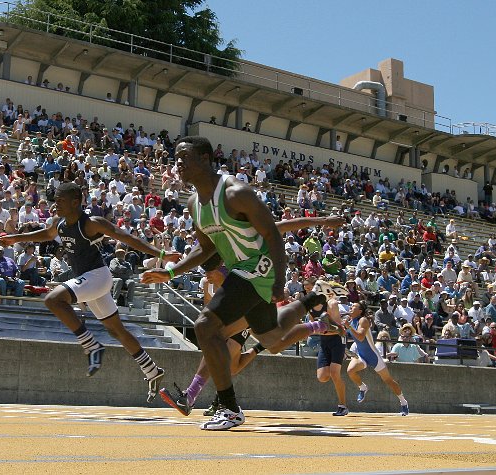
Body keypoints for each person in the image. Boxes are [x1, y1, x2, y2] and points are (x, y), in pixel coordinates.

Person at [141, 137, 346, 430]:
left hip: (257, 269)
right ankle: (311, 304)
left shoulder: (236, 193)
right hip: (242, 272)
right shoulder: (194, 204)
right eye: (176, 157)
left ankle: (228, 406)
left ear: (205, 158)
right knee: (272, 339)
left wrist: (277, 279)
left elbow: (274, 234)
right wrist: (172, 272)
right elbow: (204, 247)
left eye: (185, 157)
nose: (178, 163)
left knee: (205, 326)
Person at [0, 182, 179, 402]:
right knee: (116, 330)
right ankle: (152, 370)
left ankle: (91, 345)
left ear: (75, 202)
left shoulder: (91, 223)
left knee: (54, 300)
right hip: (89, 283)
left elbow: (127, 238)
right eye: (55, 199)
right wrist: (16, 238)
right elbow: (46, 234)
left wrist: (161, 253)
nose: (56, 204)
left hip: (98, 277)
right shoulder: (60, 223)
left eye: (60, 200)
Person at [158, 215, 346, 418]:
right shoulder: (217, 242)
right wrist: (169, 266)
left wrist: (324, 220)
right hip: (248, 292)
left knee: (219, 337)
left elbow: (286, 225)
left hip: (256, 289)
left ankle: (195, 397)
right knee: (273, 343)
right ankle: (318, 322)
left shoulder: (245, 233)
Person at [344, 301, 409, 416]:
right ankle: (363, 387)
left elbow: (360, 336)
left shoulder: (363, 320)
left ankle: (403, 402)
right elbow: (351, 336)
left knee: (389, 380)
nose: (351, 307)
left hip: (374, 356)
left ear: (360, 311)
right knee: (350, 371)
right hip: (362, 355)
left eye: (354, 306)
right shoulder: (351, 321)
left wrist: (348, 327)